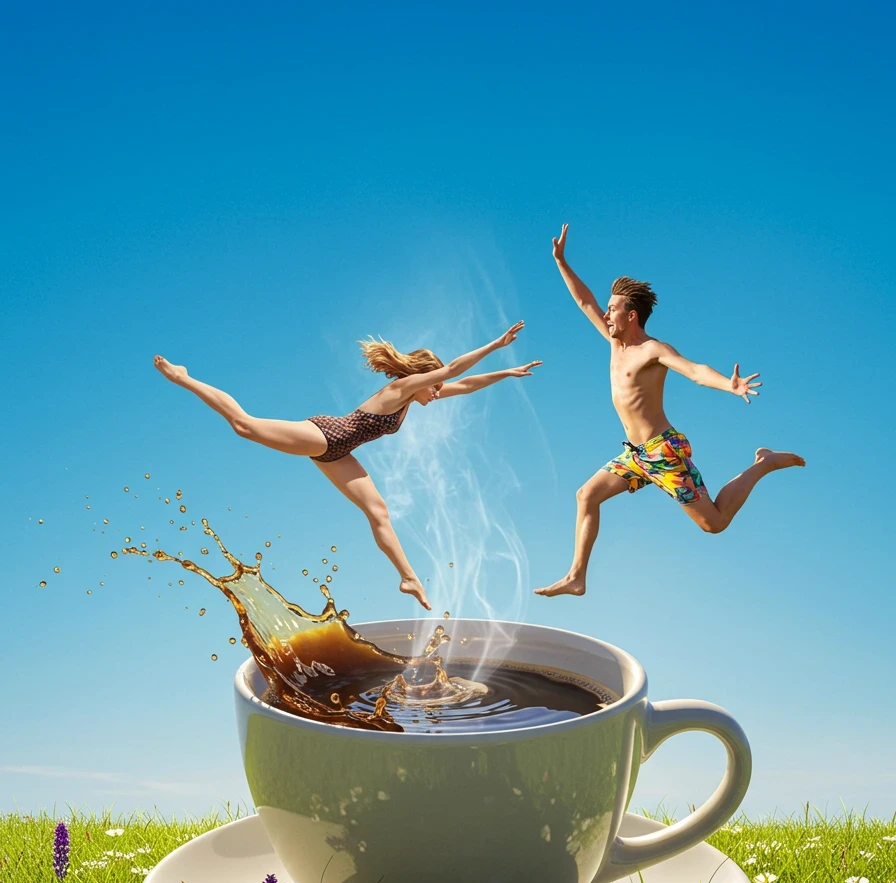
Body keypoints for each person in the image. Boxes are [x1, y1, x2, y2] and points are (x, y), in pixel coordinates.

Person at [154, 323, 539, 610]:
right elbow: (454, 370)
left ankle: (408, 578)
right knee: (245, 426)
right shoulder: (401, 389)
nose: (437, 394)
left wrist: (507, 373)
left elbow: (465, 384)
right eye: (433, 386)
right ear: (421, 377)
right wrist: (497, 345)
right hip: (326, 434)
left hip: (339, 453)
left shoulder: (413, 399)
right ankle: (183, 378)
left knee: (378, 512)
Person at [535, 225, 805, 598]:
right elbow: (584, 302)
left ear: (632, 316)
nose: (606, 313)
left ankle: (764, 462)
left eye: (613, 309)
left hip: (663, 451)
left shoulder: (652, 350)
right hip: (635, 456)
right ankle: (577, 576)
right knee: (586, 495)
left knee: (714, 524)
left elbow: (693, 371)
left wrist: (729, 383)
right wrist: (561, 262)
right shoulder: (615, 344)